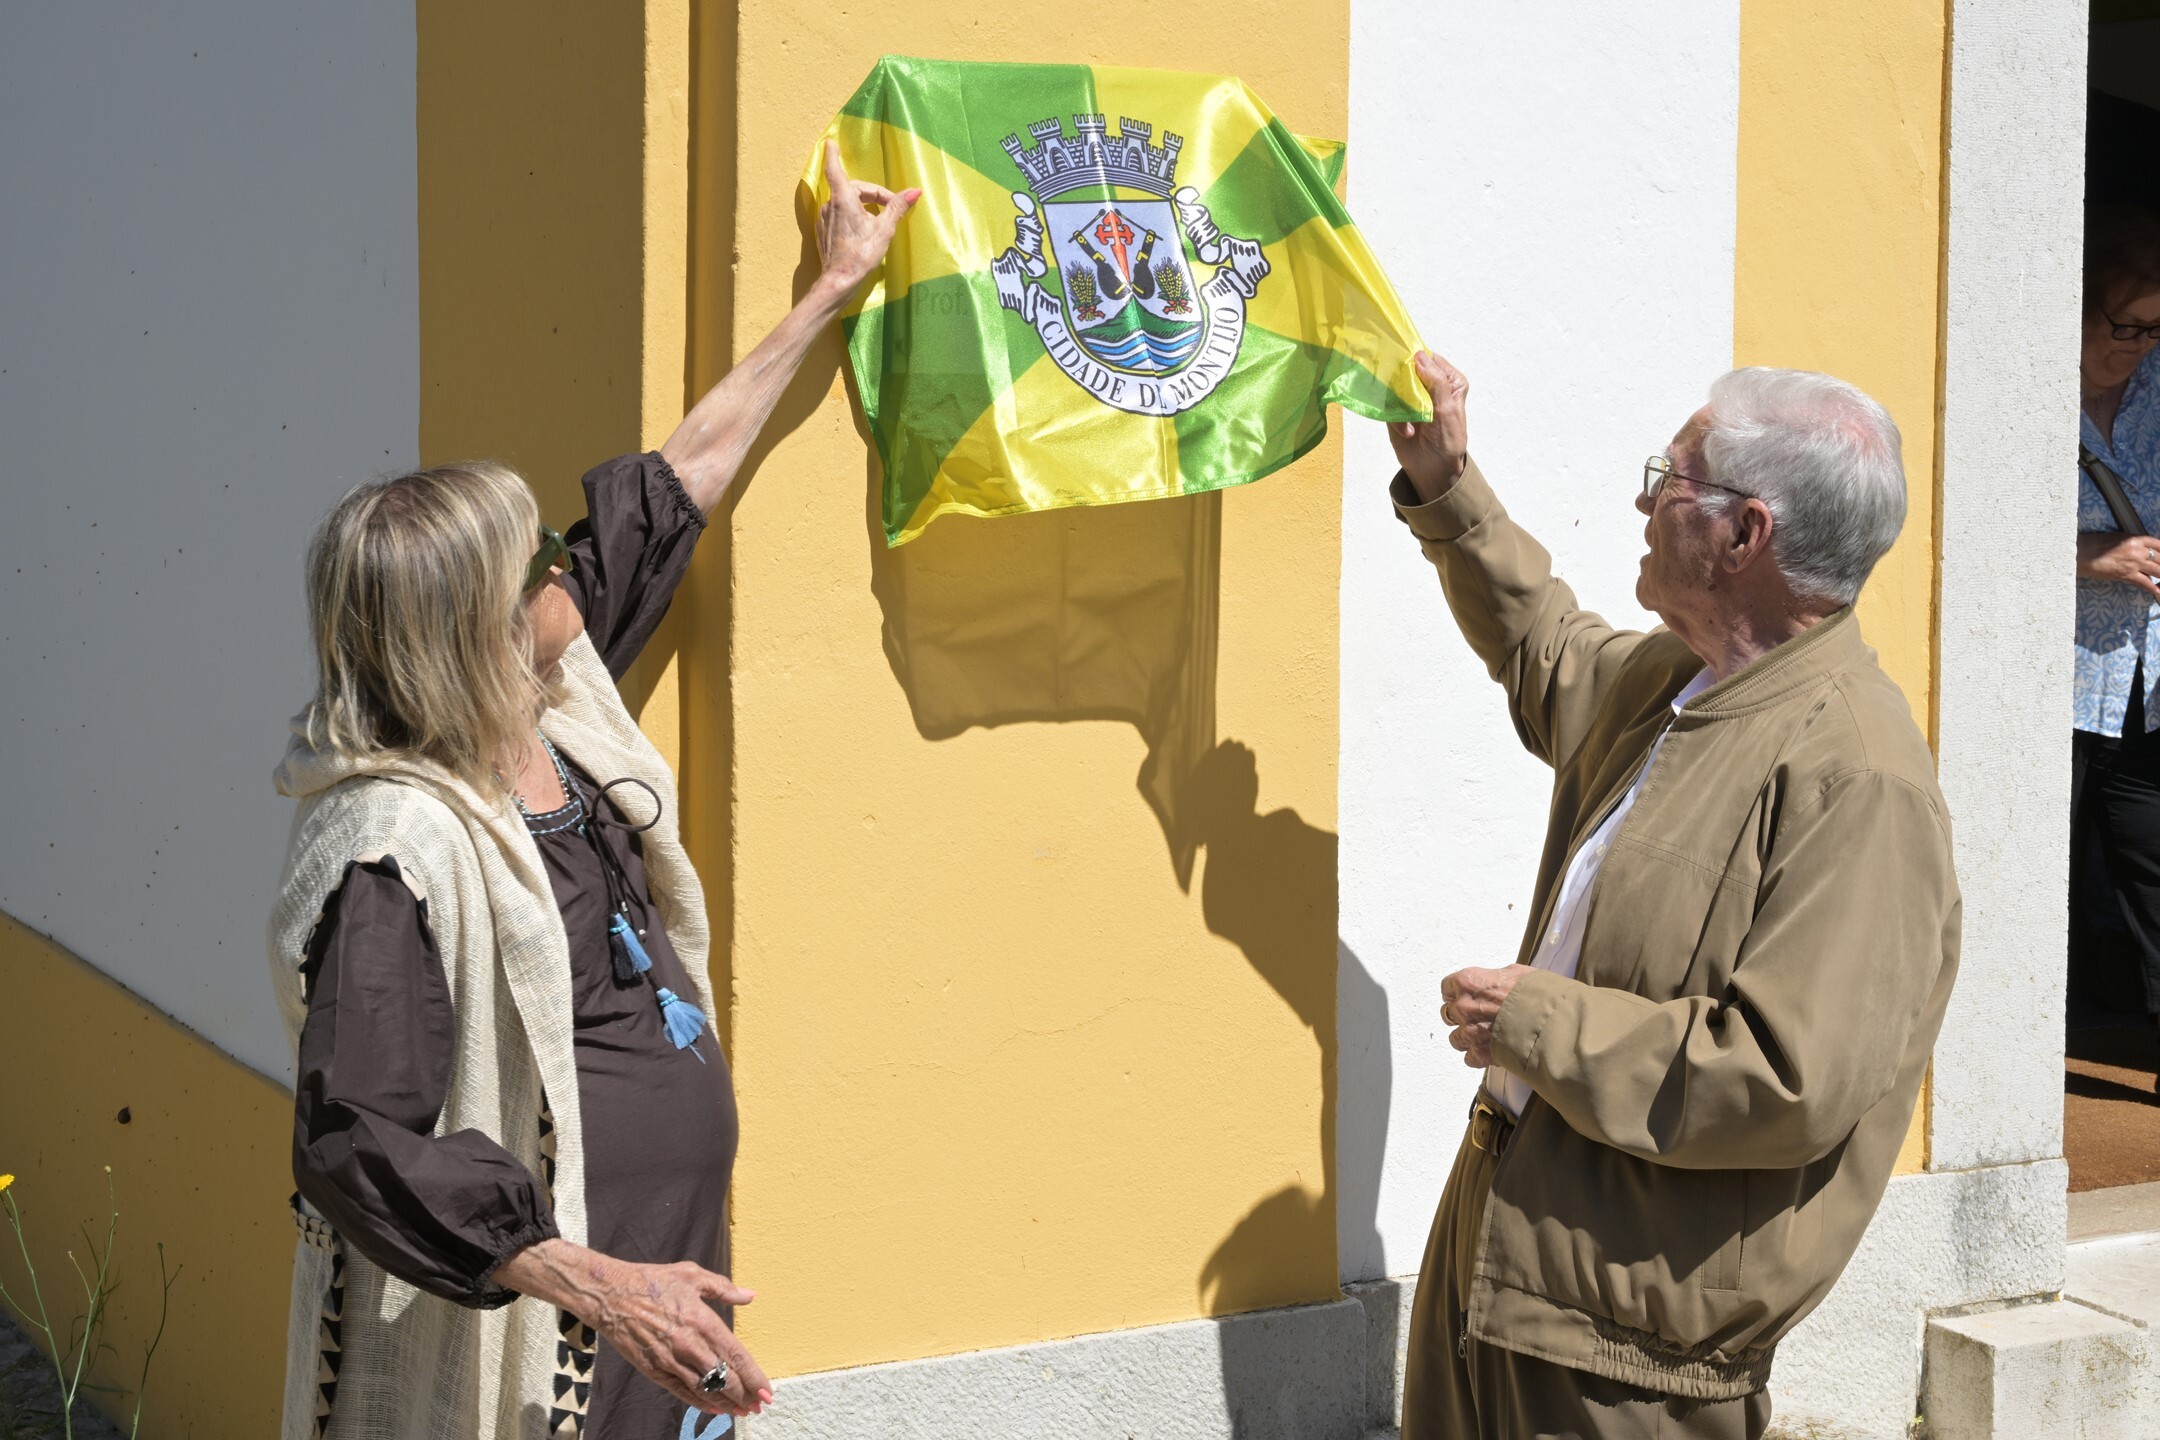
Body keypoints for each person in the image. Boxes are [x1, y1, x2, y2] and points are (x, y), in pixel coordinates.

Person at [268, 145, 918, 1439]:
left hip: (664, 1318)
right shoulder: (391, 843)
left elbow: (674, 483)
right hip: (539, 1355)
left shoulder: (554, 690)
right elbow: (356, 1133)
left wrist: (832, 288)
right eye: (543, 560)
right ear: (480, 628)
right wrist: (593, 1282)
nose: (573, 561)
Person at [1378, 353, 1961, 1439]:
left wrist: (1536, 1018)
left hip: (1629, 1354)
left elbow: (1786, 1076)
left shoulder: (1858, 778)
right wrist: (1449, 491)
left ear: (1747, 537)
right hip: (1505, 1266)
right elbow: (1547, 649)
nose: (1644, 501)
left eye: (1672, 479)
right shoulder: (1677, 682)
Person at [2070, 207, 2160, 1052]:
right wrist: (2089, 554)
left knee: (2155, 873)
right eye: (2123, 325)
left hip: (2144, 681)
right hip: (2053, 682)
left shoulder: (2159, 386)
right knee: (2038, 872)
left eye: (2153, 330)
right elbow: (1968, 525)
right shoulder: (2027, 385)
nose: (2136, 347)